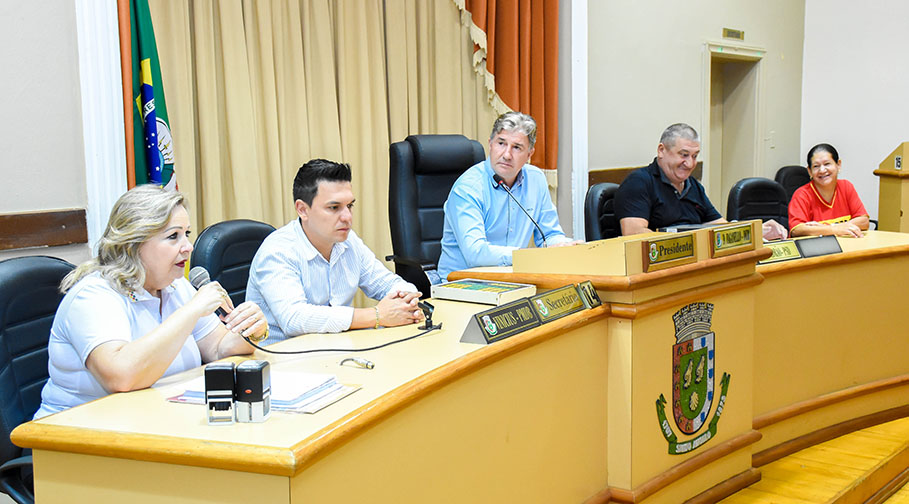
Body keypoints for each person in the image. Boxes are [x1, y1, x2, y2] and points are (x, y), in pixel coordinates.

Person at [35, 185, 265, 419]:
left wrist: (251, 330)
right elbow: (122, 377)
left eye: (186, 234)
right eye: (173, 236)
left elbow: (219, 349)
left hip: (153, 419)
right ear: (133, 244)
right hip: (77, 429)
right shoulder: (94, 296)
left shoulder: (175, 286)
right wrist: (191, 311)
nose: (188, 247)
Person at [246, 159, 422, 344]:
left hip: (338, 349)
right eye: (334, 207)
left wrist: (406, 301)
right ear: (303, 210)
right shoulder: (277, 251)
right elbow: (294, 319)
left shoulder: (348, 241)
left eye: (349, 206)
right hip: (282, 356)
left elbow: (388, 283)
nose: (347, 217)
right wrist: (377, 315)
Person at [438, 112, 577, 281]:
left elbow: (549, 235)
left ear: (529, 154)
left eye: (517, 147)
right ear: (490, 144)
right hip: (463, 283)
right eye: (501, 143)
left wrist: (565, 247)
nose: (507, 155)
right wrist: (528, 257)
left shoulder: (536, 180)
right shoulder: (468, 188)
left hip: (512, 281)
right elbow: (475, 253)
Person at [615, 123, 788, 240]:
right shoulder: (639, 182)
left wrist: (755, 231)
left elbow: (720, 226)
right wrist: (685, 243)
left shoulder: (693, 186)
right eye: (683, 155)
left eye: (695, 156)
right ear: (661, 150)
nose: (690, 163)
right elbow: (634, 234)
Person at [788, 143, 869, 237]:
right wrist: (835, 229)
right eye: (816, 166)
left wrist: (829, 228)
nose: (822, 170)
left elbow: (864, 221)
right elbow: (797, 230)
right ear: (809, 171)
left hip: (846, 244)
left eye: (827, 164)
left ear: (838, 165)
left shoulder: (846, 186)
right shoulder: (802, 194)